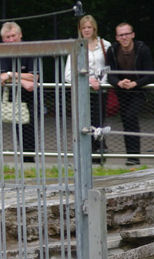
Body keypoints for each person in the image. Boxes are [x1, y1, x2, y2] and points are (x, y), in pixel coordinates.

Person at [105, 22, 153, 166]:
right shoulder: (112, 50)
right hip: (122, 90)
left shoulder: (142, 49)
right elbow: (110, 74)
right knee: (126, 121)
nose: (124, 37)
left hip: (139, 90)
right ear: (117, 37)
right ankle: (131, 157)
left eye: (126, 34)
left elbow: (150, 75)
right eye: (121, 35)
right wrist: (119, 83)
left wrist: (135, 83)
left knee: (131, 116)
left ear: (132, 35)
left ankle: (134, 157)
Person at [63, 15, 111, 159]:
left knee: (99, 122)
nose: (87, 30)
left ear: (94, 28)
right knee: (85, 123)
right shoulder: (76, 46)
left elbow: (109, 68)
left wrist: (100, 82)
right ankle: (87, 155)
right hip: (83, 91)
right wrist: (88, 81)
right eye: (83, 27)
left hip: (101, 90)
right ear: (80, 29)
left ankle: (99, 153)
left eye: (89, 27)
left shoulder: (105, 45)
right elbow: (68, 75)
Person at [0, 21, 37, 162]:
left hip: (31, 95)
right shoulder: (3, 53)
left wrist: (10, 75)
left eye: (13, 35)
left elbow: (34, 76)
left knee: (30, 127)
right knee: (18, 127)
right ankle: (25, 161)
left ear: (20, 35)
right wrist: (21, 79)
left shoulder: (30, 50)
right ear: (3, 39)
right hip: (14, 95)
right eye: (7, 37)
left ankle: (30, 160)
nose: (11, 39)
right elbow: (1, 77)